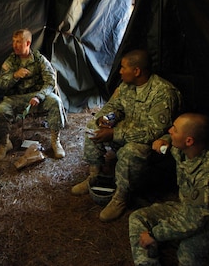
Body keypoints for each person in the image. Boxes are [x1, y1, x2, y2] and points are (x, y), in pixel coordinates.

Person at [71, 49, 182, 223]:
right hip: (124, 131)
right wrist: (106, 119)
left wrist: (115, 133)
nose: (120, 71)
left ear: (136, 71)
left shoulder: (164, 92)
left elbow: (154, 132)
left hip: (150, 142)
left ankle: (121, 197)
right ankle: (94, 175)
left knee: (132, 150)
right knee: (92, 126)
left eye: (123, 68)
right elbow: (115, 107)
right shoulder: (126, 85)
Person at [129, 113, 209, 266]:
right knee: (138, 218)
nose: (169, 130)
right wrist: (165, 141)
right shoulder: (185, 149)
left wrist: (155, 234)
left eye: (174, 130)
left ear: (189, 140)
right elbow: (170, 142)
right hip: (190, 210)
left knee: (188, 250)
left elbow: (194, 221)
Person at [0, 28, 66, 160]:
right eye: (14, 41)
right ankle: (5, 143)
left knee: (55, 101)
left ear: (27, 43)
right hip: (16, 98)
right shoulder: (10, 62)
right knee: (0, 111)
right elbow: (2, 84)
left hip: (37, 97)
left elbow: (50, 82)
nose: (15, 45)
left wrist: (39, 96)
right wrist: (15, 75)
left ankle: (55, 141)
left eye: (19, 42)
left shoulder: (39, 60)